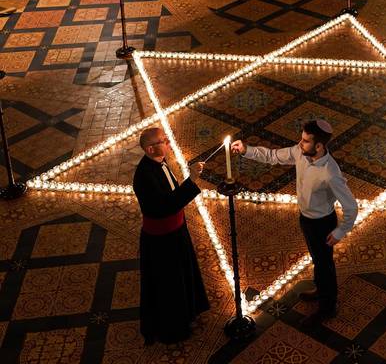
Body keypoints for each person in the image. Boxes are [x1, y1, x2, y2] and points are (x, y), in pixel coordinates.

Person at [231, 120, 358, 325]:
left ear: (319, 146)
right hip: (306, 219)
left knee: (325, 265)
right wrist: (247, 150)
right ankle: (319, 288)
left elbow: (351, 206)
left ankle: (328, 307)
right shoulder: (300, 152)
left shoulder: (330, 173)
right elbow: (273, 156)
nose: (300, 143)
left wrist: (340, 231)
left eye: (306, 141)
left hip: (322, 224)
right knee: (318, 260)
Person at [133, 127, 210, 345]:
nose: (168, 142)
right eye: (163, 140)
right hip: (162, 241)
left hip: (176, 232)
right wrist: (192, 180)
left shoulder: (160, 162)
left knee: (183, 275)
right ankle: (174, 329)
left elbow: (172, 193)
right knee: (169, 286)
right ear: (150, 148)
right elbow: (165, 206)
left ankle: (189, 313)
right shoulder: (144, 176)